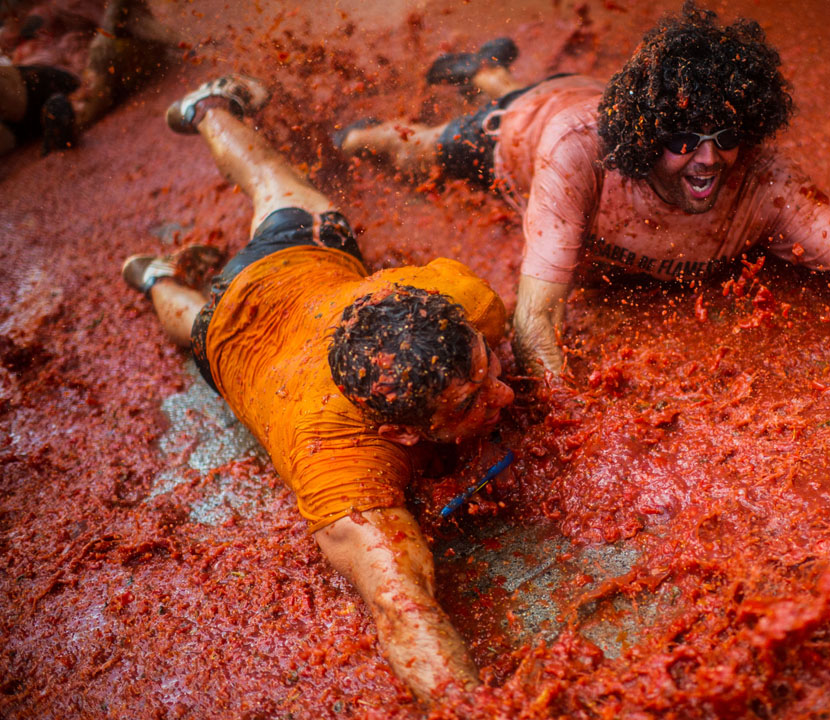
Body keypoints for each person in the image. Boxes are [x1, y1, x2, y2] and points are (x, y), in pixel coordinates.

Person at [121, 74, 515, 703]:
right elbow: (401, 613)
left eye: (487, 365)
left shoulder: (461, 301)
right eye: (469, 403)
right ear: (399, 432)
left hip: (266, 298)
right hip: (249, 314)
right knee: (262, 195)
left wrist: (495, 361)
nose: (504, 396)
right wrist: (469, 706)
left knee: (209, 299)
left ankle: (157, 274)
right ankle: (207, 114)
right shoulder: (341, 474)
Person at [336, 3, 830, 375]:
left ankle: (489, 70)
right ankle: (388, 125)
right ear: (645, 135)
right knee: (407, 153)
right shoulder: (577, 152)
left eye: (726, 134)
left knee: (525, 92)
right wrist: (572, 430)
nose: (707, 160)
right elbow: (538, 320)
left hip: (581, 90)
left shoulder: (770, 185)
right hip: (514, 134)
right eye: (683, 139)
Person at [0, 0, 172, 154]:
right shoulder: (21, 17)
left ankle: (70, 117)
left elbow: (127, 27)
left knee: (101, 59)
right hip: (27, 89)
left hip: (68, 80)